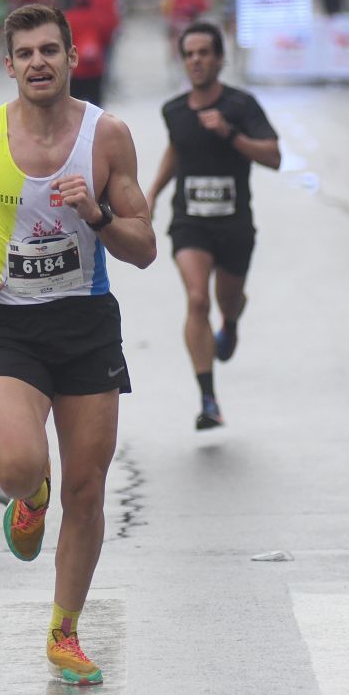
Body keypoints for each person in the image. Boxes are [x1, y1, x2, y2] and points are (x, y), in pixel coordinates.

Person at [0, 4, 156, 685]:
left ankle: (65, 631)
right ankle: (31, 493)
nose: (39, 62)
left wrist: (98, 213)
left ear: (72, 56)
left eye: (49, 49)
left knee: (88, 492)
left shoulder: (107, 137)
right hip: (14, 326)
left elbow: (143, 247)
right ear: (10, 65)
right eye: (25, 53)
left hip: (86, 324)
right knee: (18, 465)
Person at [146, 21, 280, 430]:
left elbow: (274, 156)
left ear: (220, 59)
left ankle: (233, 321)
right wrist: (151, 194)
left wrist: (230, 134)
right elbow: (177, 149)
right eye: (189, 54)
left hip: (235, 226)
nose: (196, 60)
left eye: (204, 52)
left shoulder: (242, 106)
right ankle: (208, 399)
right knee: (197, 299)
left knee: (226, 300)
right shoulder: (174, 111)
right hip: (191, 224)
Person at [63, 0, 113, 107]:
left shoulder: (69, 18)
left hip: (77, 70)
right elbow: (107, 39)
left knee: (73, 107)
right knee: (97, 108)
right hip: (96, 69)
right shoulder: (99, 18)